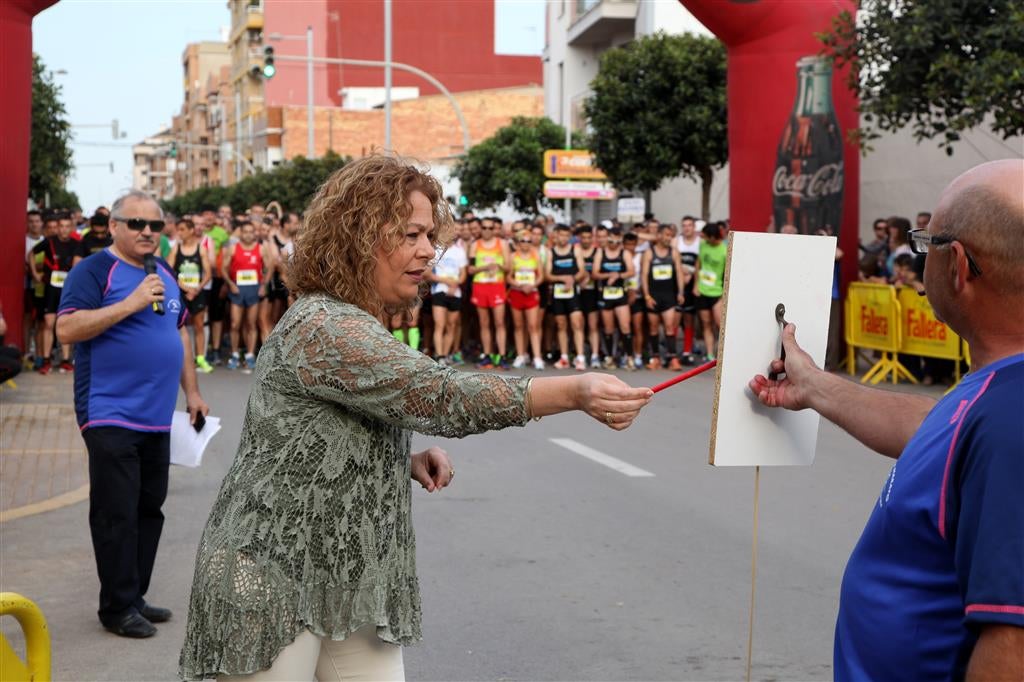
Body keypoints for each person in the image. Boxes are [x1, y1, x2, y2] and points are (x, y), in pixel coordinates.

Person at [178, 156, 652, 681]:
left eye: (430, 234)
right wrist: (577, 389)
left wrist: (399, 458)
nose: (429, 250)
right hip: (270, 578)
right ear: (357, 240)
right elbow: (442, 395)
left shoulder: (355, 321)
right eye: (410, 234)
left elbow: (317, 432)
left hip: (348, 581)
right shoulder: (326, 325)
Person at [749, 159, 1024, 681]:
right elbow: (943, 437)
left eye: (927, 245)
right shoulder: (996, 399)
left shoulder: (1011, 418)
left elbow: (1012, 647)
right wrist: (815, 386)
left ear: (958, 265)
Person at [55, 190, 210, 638]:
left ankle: (134, 597)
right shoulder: (94, 270)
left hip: (156, 418)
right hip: (108, 411)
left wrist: (193, 392)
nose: (147, 233)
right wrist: (130, 302)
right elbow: (66, 328)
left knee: (148, 508)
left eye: (155, 226)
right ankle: (116, 607)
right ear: (114, 227)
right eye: (136, 224)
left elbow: (179, 335)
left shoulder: (162, 270)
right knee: (116, 512)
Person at [29, 212, 78, 373]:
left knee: (65, 324)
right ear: (57, 227)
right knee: (49, 324)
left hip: (68, 290)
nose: (63, 230)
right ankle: (46, 359)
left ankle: (65, 360)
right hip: (50, 290)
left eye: (66, 226)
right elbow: (31, 254)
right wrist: (36, 274)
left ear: (71, 227)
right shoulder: (49, 242)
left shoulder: (76, 244)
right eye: (61, 226)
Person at [169, 219, 214, 374]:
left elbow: (208, 273)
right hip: (181, 292)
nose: (179, 233)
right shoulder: (176, 248)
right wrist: (186, 287)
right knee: (177, 326)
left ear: (190, 230)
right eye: (178, 229)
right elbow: (169, 271)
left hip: (197, 292)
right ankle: (178, 359)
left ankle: (200, 358)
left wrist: (196, 289)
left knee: (199, 325)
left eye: (182, 229)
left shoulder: (201, 249)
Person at [220, 221, 266, 373]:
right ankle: (234, 354)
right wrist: (230, 284)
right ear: (240, 233)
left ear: (255, 233)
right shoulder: (233, 248)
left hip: (253, 289)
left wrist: (263, 285)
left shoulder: (261, 249)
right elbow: (223, 269)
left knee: (251, 324)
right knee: (235, 324)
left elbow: (270, 267)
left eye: (250, 232)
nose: (248, 234)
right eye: (245, 231)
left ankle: (250, 355)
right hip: (237, 289)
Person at [642, 223, 687, 370]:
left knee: (669, 327)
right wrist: (647, 296)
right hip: (653, 296)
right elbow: (643, 275)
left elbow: (680, 273)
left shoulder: (673, 252)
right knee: (653, 328)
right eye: (666, 235)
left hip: (669, 296)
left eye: (671, 235)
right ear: (659, 235)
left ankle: (672, 357)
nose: (669, 238)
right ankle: (655, 358)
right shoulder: (649, 253)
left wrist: (681, 292)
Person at [467, 217, 510, 368]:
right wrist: (484, 268)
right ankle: (487, 355)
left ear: (495, 229)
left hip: (497, 285)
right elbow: (470, 269)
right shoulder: (475, 245)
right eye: (484, 228)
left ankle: (502, 356)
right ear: (481, 228)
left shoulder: (502, 244)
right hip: (480, 285)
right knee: (484, 323)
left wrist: (497, 265)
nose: (487, 231)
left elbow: (508, 267)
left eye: (490, 228)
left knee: (499, 322)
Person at [545, 223, 587, 371]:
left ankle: (580, 357)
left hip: (573, 293)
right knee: (561, 324)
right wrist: (563, 279)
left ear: (569, 237)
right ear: (555, 236)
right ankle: (564, 357)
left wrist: (573, 279)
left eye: (565, 235)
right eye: (560, 235)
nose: (563, 238)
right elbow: (548, 275)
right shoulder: (551, 252)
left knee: (576, 323)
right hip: (558, 293)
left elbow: (582, 271)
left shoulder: (575, 250)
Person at [592, 227, 634, 369]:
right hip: (605, 294)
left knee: (625, 326)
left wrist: (619, 275)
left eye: (617, 241)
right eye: (611, 240)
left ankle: (629, 357)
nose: (613, 243)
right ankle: (609, 357)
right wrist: (608, 276)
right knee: (608, 327)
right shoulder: (600, 252)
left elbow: (631, 271)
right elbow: (595, 273)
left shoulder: (624, 253)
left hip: (620, 293)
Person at [426, 228, 467, 364]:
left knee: (451, 326)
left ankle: (445, 353)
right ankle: (439, 356)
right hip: (439, 291)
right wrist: (446, 281)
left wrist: (455, 284)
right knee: (440, 325)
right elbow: (427, 274)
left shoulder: (459, 251)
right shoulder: (435, 250)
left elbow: (463, 274)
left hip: (455, 293)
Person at [507, 229, 545, 370]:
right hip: (517, 293)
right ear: (517, 242)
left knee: (533, 325)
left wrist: (532, 285)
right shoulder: (513, 256)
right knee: (518, 326)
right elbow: (509, 276)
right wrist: (519, 285)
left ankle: (537, 357)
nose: (526, 244)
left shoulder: (536, 256)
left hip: (531, 293)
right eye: (523, 241)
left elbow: (541, 275)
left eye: (529, 241)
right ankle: (520, 355)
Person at [695, 222, 727, 361]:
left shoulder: (725, 250)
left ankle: (722, 355)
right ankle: (709, 355)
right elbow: (698, 264)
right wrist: (695, 285)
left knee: (720, 325)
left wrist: (724, 294)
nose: (704, 239)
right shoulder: (703, 245)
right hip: (702, 291)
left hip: (717, 293)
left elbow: (727, 273)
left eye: (706, 237)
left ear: (713, 237)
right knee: (706, 324)